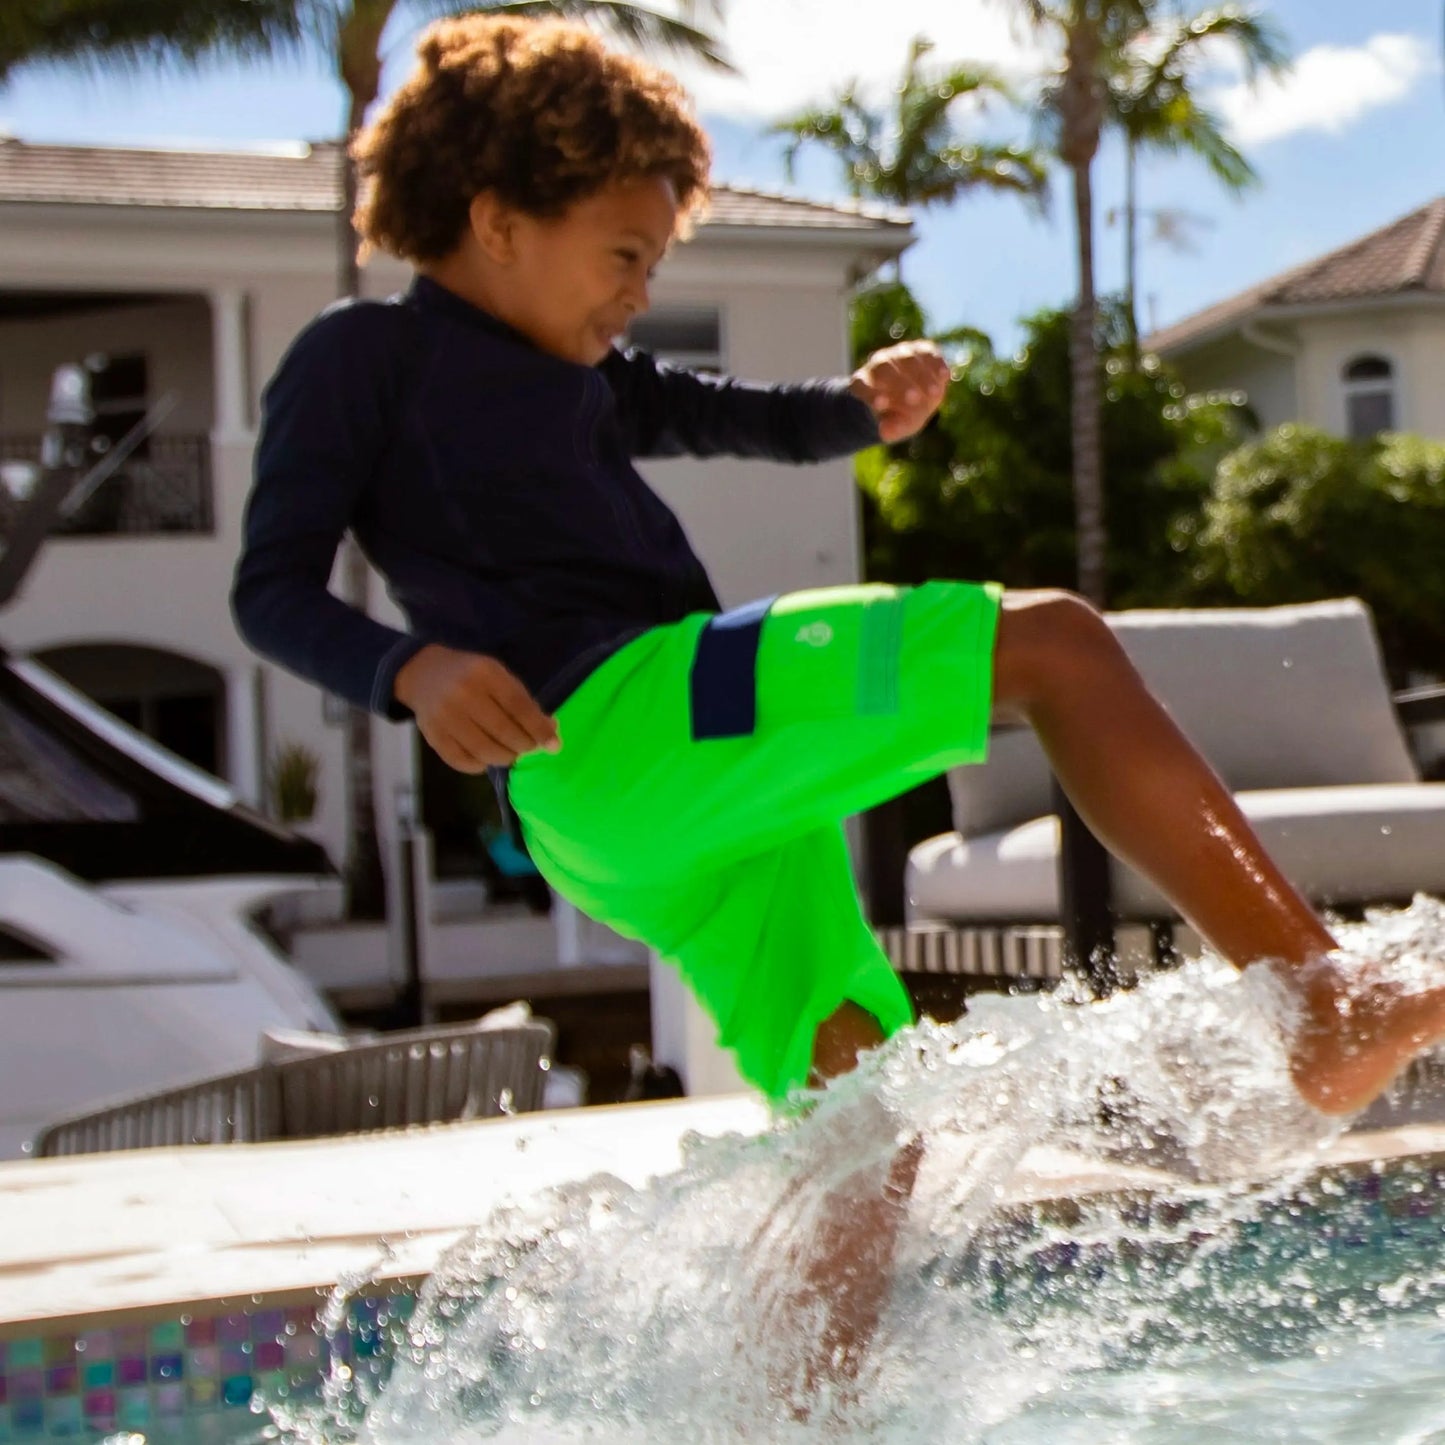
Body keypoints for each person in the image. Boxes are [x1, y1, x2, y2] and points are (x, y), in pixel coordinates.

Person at [233, 11, 1445, 1402]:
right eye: (622, 257)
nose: (634, 295)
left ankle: (802, 1411)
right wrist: (405, 668)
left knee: (861, 1098)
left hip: (660, 812)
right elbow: (270, 591)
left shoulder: (579, 372)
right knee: (1049, 641)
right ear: (499, 220)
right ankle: (1320, 1001)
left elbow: (729, 413)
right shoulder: (363, 358)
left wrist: (860, 413)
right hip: (624, 715)